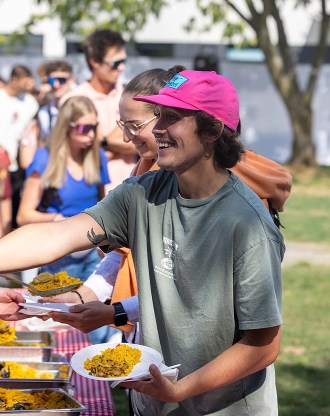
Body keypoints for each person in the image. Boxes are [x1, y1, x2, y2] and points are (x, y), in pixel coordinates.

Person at [0, 70, 284, 416]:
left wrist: (179, 389)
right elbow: (58, 234)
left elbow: (262, 346)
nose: (158, 129)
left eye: (173, 118)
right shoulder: (143, 192)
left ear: (212, 130)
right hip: (153, 402)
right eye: (158, 115)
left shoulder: (248, 224)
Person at [16, 95, 110, 282]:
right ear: (67, 127)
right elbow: (23, 216)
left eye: (94, 127)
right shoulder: (45, 158)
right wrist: (58, 219)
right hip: (57, 252)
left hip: (92, 252)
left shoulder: (97, 156)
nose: (91, 134)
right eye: (84, 128)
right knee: (54, 310)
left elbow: (103, 203)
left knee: (89, 310)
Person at [60, 29, 138, 190]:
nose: (122, 67)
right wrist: (122, 135)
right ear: (95, 61)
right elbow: (71, 150)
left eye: (124, 61)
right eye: (116, 62)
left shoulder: (131, 97)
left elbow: (140, 143)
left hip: (132, 189)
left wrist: (102, 142)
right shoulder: (72, 100)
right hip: (90, 192)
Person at [0, 64, 39, 230]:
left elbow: (29, 133)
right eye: (25, 82)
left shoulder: (30, 103)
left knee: (11, 202)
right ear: (14, 80)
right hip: (1, 159)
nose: (28, 85)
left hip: (16, 163)